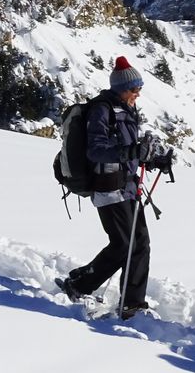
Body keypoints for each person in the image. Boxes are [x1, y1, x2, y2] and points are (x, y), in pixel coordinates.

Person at [56, 57, 172, 318]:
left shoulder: (125, 109)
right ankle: (80, 285)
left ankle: (132, 304)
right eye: (134, 89)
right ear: (121, 88)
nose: (138, 94)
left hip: (129, 188)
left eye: (139, 89)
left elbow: (128, 152)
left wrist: (153, 159)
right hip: (108, 189)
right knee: (123, 245)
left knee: (139, 244)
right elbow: (96, 151)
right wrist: (134, 150)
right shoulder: (102, 109)